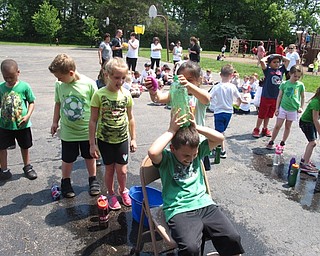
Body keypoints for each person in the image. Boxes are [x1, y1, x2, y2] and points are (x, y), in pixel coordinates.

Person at [148, 111, 244, 256]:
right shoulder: (167, 159)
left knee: (233, 238)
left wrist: (196, 127)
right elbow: (153, 152)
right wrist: (171, 130)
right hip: (179, 209)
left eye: (194, 154)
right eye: (186, 155)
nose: (191, 159)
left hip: (204, 204)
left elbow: (220, 138)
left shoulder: (197, 153)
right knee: (190, 248)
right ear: (173, 149)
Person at [49, 53, 100, 198]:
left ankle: (93, 179)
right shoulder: (59, 85)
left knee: (89, 157)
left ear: (71, 73)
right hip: (68, 131)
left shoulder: (89, 84)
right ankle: (65, 181)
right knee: (67, 158)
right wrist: (54, 121)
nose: (58, 79)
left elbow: (96, 107)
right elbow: (58, 103)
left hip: (86, 131)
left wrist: (98, 127)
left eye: (60, 77)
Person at [89, 57, 137, 210]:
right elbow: (93, 121)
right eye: (117, 77)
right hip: (105, 140)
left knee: (122, 170)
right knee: (109, 169)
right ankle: (110, 193)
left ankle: (123, 190)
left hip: (122, 139)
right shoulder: (99, 95)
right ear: (107, 75)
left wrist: (133, 138)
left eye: (123, 77)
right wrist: (92, 144)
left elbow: (130, 118)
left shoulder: (126, 95)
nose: (120, 81)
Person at [145, 61, 212, 170]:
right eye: (181, 79)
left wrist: (189, 86)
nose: (184, 83)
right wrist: (153, 91)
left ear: (199, 80)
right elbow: (159, 98)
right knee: (175, 168)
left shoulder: (198, 96)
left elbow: (207, 98)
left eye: (189, 80)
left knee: (194, 171)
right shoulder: (176, 93)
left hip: (195, 142)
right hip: (178, 140)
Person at [0, 59, 37, 181]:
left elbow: (31, 102)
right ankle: (4, 170)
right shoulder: (1, 88)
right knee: (2, 147)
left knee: (24, 146)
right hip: (5, 125)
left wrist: (27, 116)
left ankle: (27, 167)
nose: (9, 80)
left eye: (11, 77)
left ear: (18, 72)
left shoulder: (24, 86)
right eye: (6, 78)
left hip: (22, 124)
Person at [266, 65, 305, 150]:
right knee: (278, 125)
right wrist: (277, 108)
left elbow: (302, 97)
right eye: (295, 76)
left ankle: (283, 142)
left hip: (293, 109)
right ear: (290, 74)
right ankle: (272, 140)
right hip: (283, 107)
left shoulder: (300, 85)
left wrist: (301, 107)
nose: (297, 78)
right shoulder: (284, 84)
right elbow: (279, 96)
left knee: (288, 126)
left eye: (299, 76)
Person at [209, 64, 244, 158]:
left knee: (218, 132)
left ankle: (221, 150)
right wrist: (238, 104)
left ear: (220, 74)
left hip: (219, 112)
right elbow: (239, 98)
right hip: (228, 112)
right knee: (221, 130)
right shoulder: (232, 87)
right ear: (231, 75)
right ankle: (218, 147)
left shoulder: (217, 87)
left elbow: (209, 97)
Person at [252, 54, 289, 138]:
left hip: (275, 97)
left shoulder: (281, 70)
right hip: (266, 96)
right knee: (262, 114)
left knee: (269, 115)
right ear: (270, 63)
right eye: (274, 62)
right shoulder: (267, 70)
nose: (277, 64)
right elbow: (262, 61)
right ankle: (257, 129)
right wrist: (270, 56)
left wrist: (279, 55)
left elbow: (288, 61)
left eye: (278, 62)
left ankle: (265, 128)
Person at [298, 87, 320, 173]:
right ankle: (305, 164)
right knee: (313, 142)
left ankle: (305, 159)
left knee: (312, 142)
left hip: (310, 122)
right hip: (306, 123)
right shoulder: (316, 102)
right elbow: (315, 119)